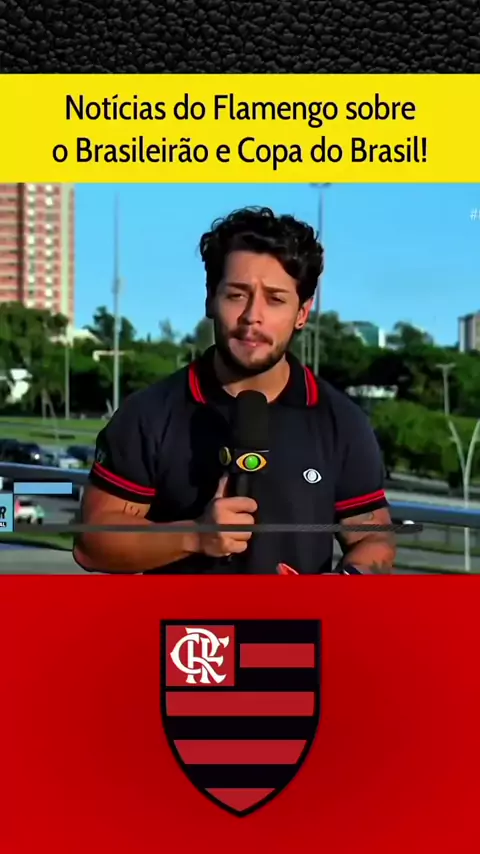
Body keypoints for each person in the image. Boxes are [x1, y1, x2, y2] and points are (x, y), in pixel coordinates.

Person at [73, 206, 396, 575]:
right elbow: (91, 545)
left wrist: (347, 579)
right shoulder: (149, 414)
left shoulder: (341, 420)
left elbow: (374, 540)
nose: (252, 316)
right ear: (210, 299)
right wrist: (194, 536)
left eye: (275, 299)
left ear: (302, 313)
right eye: (237, 295)